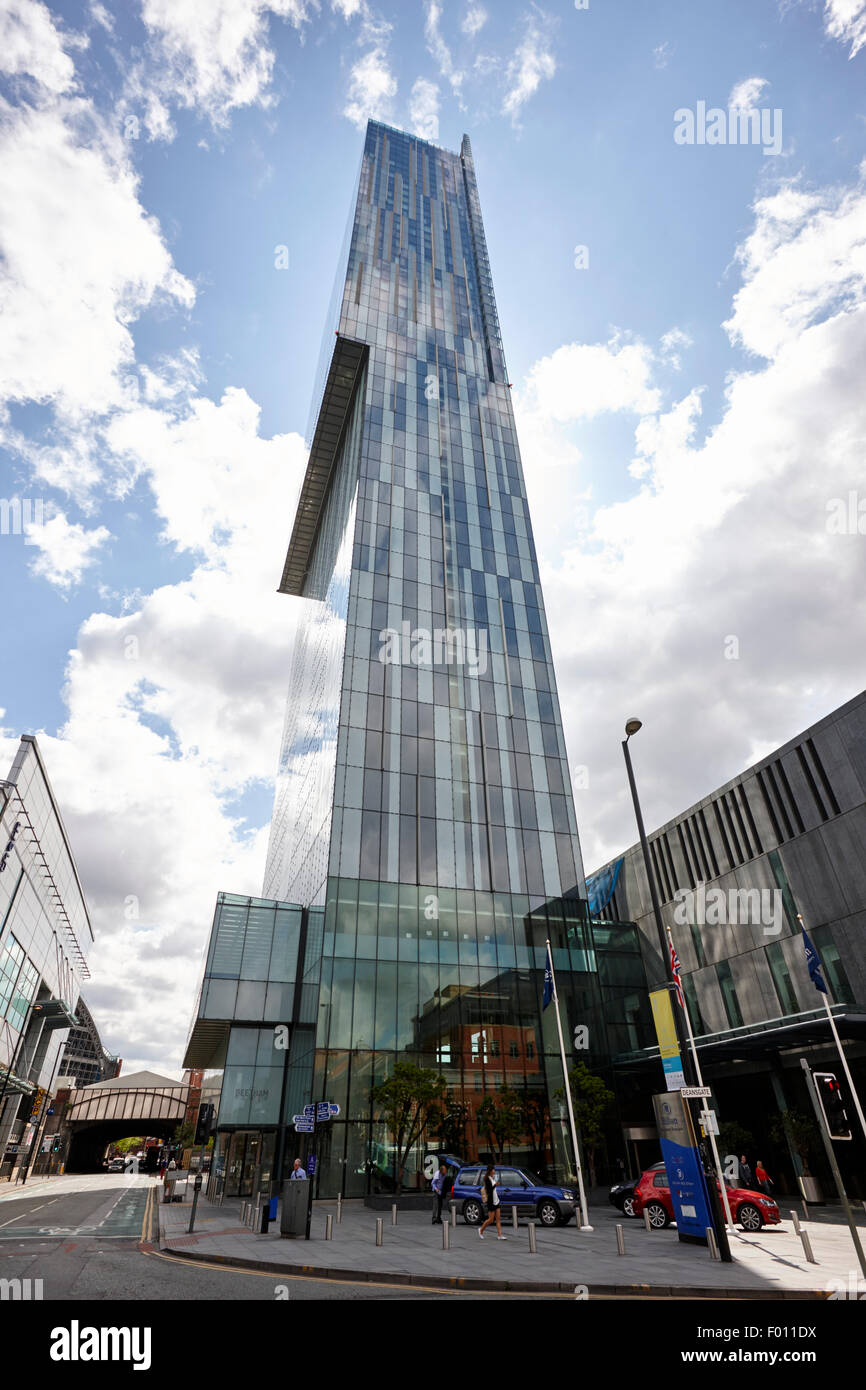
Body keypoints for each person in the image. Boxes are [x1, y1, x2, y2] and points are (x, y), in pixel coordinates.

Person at [478, 1164, 506, 1240]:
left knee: (498, 1219)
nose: (494, 1171)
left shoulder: (492, 1178)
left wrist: (495, 1184)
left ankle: (500, 1235)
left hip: (496, 1200)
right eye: (493, 1169)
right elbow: (489, 1190)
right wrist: (495, 1185)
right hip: (491, 1201)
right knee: (490, 1220)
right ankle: (481, 1230)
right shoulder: (487, 1179)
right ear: (490, 1171)